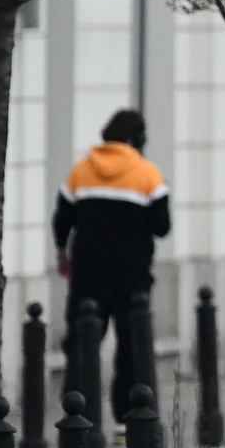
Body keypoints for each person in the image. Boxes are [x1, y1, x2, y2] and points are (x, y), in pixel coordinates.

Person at [54, 109, 170, 416]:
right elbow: (162, 226)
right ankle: (126, 418)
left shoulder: (80, 172)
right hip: (132, 275)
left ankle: (77, 417)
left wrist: (62, 252)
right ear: (137, 138)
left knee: (82, 344)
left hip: (89, 275)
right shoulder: (148, 175)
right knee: (131, 349)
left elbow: (62, 220)